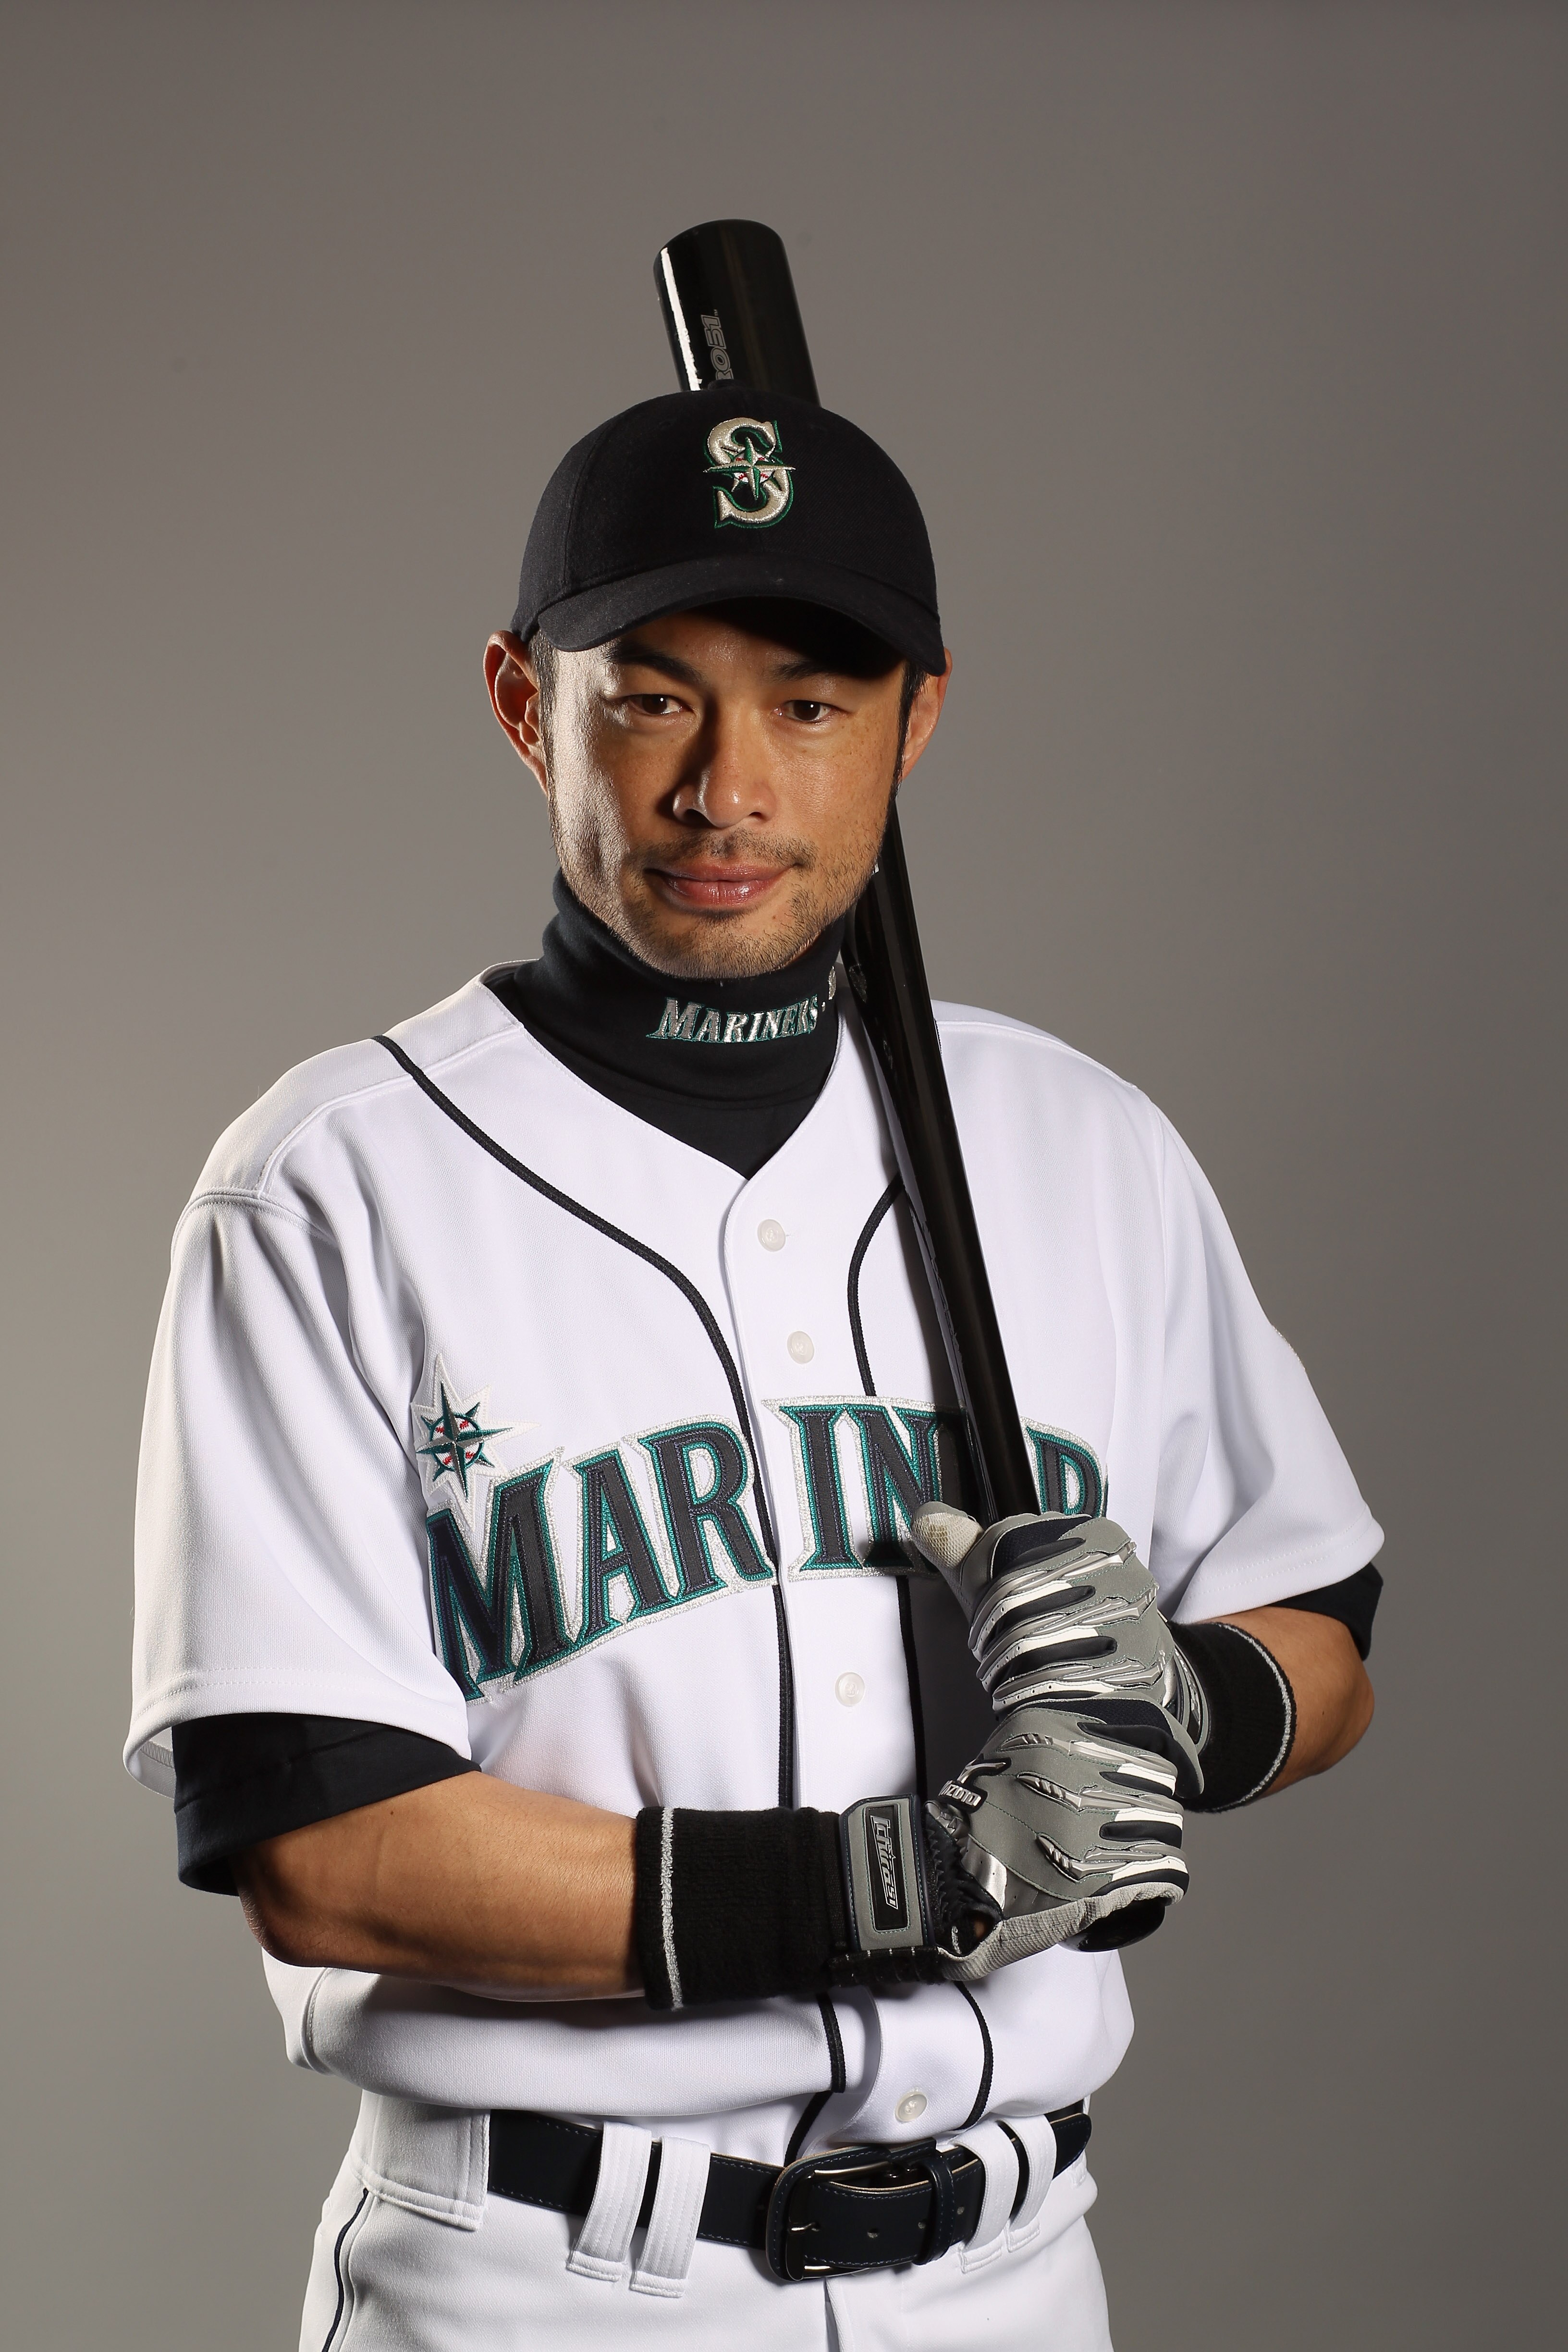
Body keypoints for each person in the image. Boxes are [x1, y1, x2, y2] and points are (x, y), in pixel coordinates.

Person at [126, 384, 1381, 2351]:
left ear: (920, 718)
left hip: (1017, 2276)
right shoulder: (331, 1184)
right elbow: (324, 1846)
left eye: (810, 702)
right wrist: (913, 1876)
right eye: (652, 695)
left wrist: (1182, 1717)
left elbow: (1322, 1632)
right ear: (524, 705)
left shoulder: (1081, 1144)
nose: (730, 787)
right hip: (544, 2282)